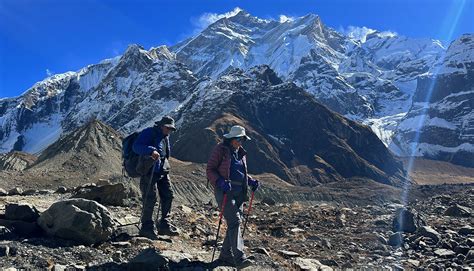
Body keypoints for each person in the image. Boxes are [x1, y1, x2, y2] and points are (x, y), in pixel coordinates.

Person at [206, 125, 260, 268]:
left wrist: (251, 181)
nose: (240, 142)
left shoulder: (241, 153)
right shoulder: (221, 150)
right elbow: (210, 169)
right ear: (231, 139)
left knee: (234, 223)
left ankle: (225, 256)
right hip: (224, 191)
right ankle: (239, 258)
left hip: (239, 192)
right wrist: (220, 182)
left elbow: (241, 173)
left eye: (242, 139)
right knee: (235, 221)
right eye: (238, 139)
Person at [133, 116, 179, 239]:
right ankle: (146, 227)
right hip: (149, 170)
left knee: (168, 195)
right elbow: (136, 147)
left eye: (171, 129)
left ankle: (164, 224)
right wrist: (151, 150)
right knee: (150, 198)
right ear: (161, 125)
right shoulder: (149, 132)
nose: (169, 131)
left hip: (162, 170)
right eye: (167, 128)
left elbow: (166, 153)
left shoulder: (165, 137)